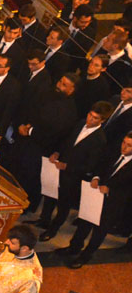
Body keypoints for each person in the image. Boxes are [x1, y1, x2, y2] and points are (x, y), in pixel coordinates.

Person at [37, 101, 112, 240]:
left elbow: (90, 166)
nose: (90, 119)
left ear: (103, 120)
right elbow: (67, 142)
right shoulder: (80, 123)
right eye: (90, 115)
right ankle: (43, 220)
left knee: (63, 206)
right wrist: (57, 152)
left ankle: (52, 230)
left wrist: (68, 167)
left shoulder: (100, 139)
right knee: (50, 195)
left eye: (95, 118)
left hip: (73, 178)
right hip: (59, 168)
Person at [5, 72, 78, 213]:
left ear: (71, 90)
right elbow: (31, 110)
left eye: (64, 85)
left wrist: (30, 131)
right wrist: (23, 124)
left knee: (28, 179)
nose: (59, 86)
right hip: (25, 141)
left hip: (41, 149)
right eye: (60, 81)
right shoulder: (48, 94)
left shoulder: (69, 109)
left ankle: (21, 208)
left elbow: (55, 131)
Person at [60, 131, 132, 267]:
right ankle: (74, 247)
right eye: (123, 142)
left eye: (129, 145)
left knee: (99, 232)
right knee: (84, 223)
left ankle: (85, 256)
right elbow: (100, 166)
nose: (124, 147)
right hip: (96, 196)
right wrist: (96, 178)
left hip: (113, 203)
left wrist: (111, 190)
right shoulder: (114, 152)